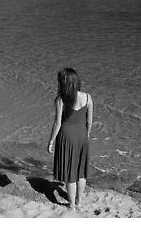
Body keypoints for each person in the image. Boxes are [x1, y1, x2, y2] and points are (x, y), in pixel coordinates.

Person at [47, 67, 93, 211]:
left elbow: (58, 123)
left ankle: (72, 205)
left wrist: (51, 141)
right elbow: (90, 121)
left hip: (67, 136)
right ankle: (79, 201)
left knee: (70, 172)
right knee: (81, 171)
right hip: (82, 135)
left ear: (63, 83)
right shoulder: (87, 97)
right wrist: (87, 134)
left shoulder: (61, 100)